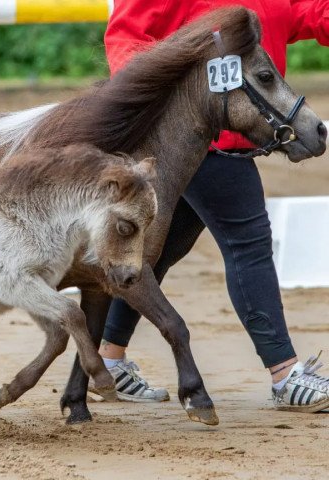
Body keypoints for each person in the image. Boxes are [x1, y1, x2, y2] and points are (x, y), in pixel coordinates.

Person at [97, 0, 329, 411]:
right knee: (248, 244)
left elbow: (307, 14)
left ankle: (108, 360)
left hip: (241, 133)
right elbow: (126, 41)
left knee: (163, 249)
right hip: (197, 140)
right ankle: (285, 375)